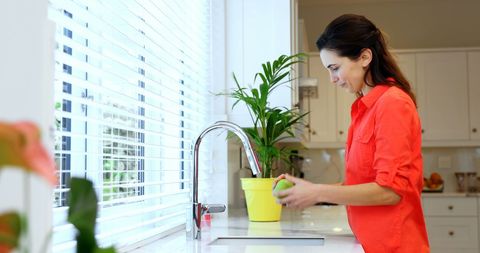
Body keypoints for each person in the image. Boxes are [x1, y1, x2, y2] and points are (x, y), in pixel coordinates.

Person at [273, 14, 429, 252]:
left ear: (365, 57)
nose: (332, 79)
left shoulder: (393, 104)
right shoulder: (363, 109)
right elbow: (362, 183)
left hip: (394, 246)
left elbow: (390, 192)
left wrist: (317, 193)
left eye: (335, 68)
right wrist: (308, 190)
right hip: (370, 242)